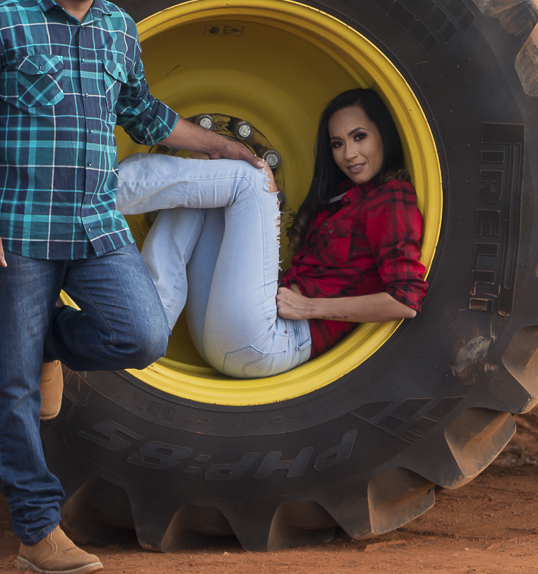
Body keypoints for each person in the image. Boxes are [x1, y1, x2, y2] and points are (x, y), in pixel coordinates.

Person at [0, 0, 262, 574]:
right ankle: (36, 531)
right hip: (19, 232)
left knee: (142, 336)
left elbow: (143, 114)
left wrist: (222, 147)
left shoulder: (118, 27)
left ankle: (48, 339)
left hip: (95, 225)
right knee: (13, 386)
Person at [116, 87, 428, 379]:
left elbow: (404, 300)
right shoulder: (341, 197)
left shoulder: (392, 197)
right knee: (202, 189)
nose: (349, 154)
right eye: (338, 144)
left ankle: (104, 188)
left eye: (359, 137)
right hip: (229, 333)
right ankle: (149, 320)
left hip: (273, 341)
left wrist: (312, 308)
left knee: (251, 178)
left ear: (383, 135)